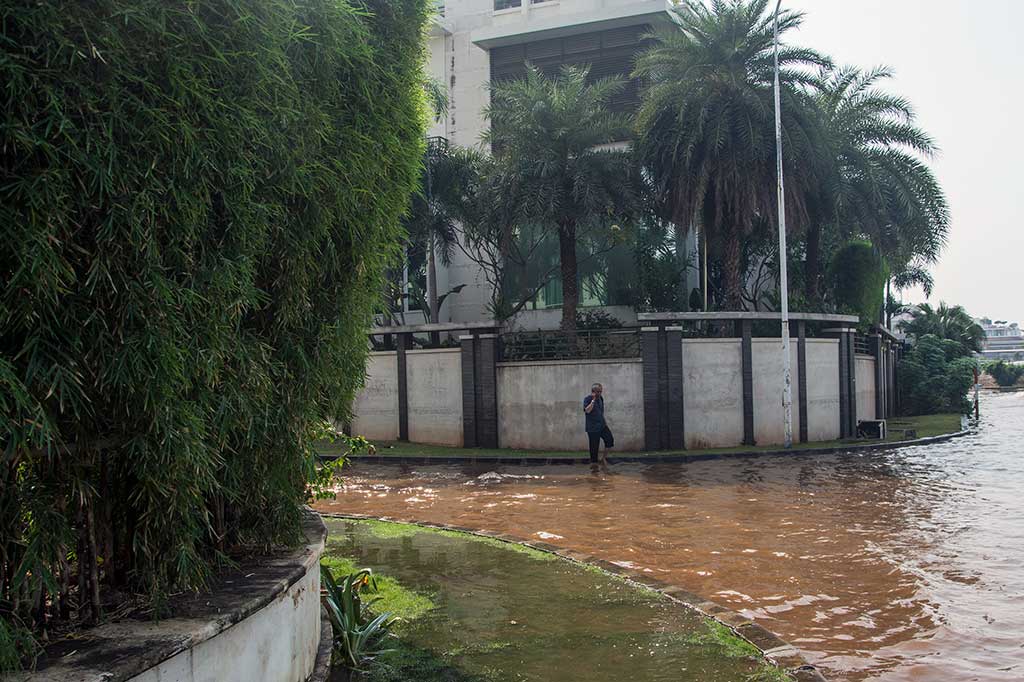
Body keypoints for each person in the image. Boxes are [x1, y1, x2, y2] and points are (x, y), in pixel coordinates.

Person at [583, 383, 614, 464]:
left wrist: (605, 423)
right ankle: (594, 470)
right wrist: (593, 400)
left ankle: (603, 458)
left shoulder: (601, 398)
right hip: (592, 428)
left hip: (602, 426)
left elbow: (601, 412)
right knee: (594, 451)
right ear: (593, 391)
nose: (600, 393)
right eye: (598, 392)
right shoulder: (587, 399)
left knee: (609, 440)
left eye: (601, 391)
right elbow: (587, 410)